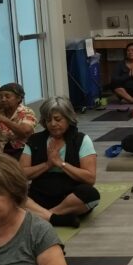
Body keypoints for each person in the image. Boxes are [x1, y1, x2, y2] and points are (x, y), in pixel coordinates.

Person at [21, 96, 100, 228]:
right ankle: (57, 219)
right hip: (40, 194)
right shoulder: (35, 140)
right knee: (11, 193)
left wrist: (60, 163)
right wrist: (47, 165)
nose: (52, 124)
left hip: (70, 197)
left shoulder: (81, 140)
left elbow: (90, 178)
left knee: (90, 194)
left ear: (69, 119)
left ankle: (45, 216)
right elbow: (20, 174)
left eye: (58, 119)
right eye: (48, 120)